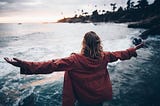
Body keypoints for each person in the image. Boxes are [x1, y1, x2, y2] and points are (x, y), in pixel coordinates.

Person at [4, 31, 144, 106]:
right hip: (99, 96)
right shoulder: (105, 56)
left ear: (84, 43)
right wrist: (133, 50)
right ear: (98, 44)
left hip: (84, 100)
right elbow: (120, 54)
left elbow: (50, 65)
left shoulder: (74, 60)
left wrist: (23, 64)